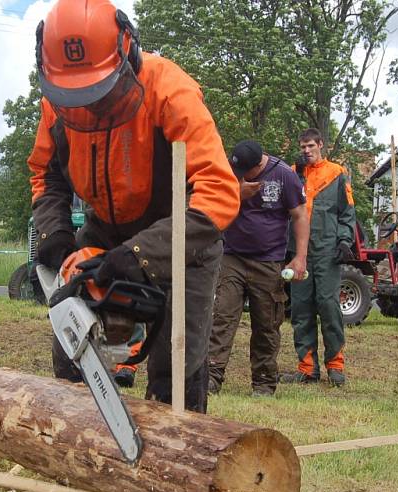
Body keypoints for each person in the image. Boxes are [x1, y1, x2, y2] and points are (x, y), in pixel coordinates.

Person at [27, 0, 239, 415]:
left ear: (128, 51)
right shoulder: (58, 100)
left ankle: (181, 453)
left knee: (176, 363)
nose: (89, 105)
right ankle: (75, 441)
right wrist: (55, 236)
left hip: (180, 229)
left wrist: (140, 255)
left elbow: (218, 192)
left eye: (98, 92)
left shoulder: (170, 90)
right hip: (105, 225)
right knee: (71, 337)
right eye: (77, 95)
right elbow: (46, 174)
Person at [207, 140, 308, 396]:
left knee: (266, 323)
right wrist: (237, 193)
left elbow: (299, 215)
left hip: (268, 260)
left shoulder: (284, 175)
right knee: (222, 317)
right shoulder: (232, 172)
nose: (240, 176)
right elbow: (214, 204)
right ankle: (210, 377)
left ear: (259, 164)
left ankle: (263, 383)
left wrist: (300, 258)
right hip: (232, 257)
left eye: (245, 173)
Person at [279, 128, 356, 387]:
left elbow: (347, 212)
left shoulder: (336, 173)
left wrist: (345, 240)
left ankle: (335, 365)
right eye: (303, 146)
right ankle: (307, 368)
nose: (306, 150)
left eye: (310, 145)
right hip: (298, 252)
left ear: (321, 144)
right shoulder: (292, 173)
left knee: (328, 306)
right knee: (301, 309)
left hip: (326, 250)